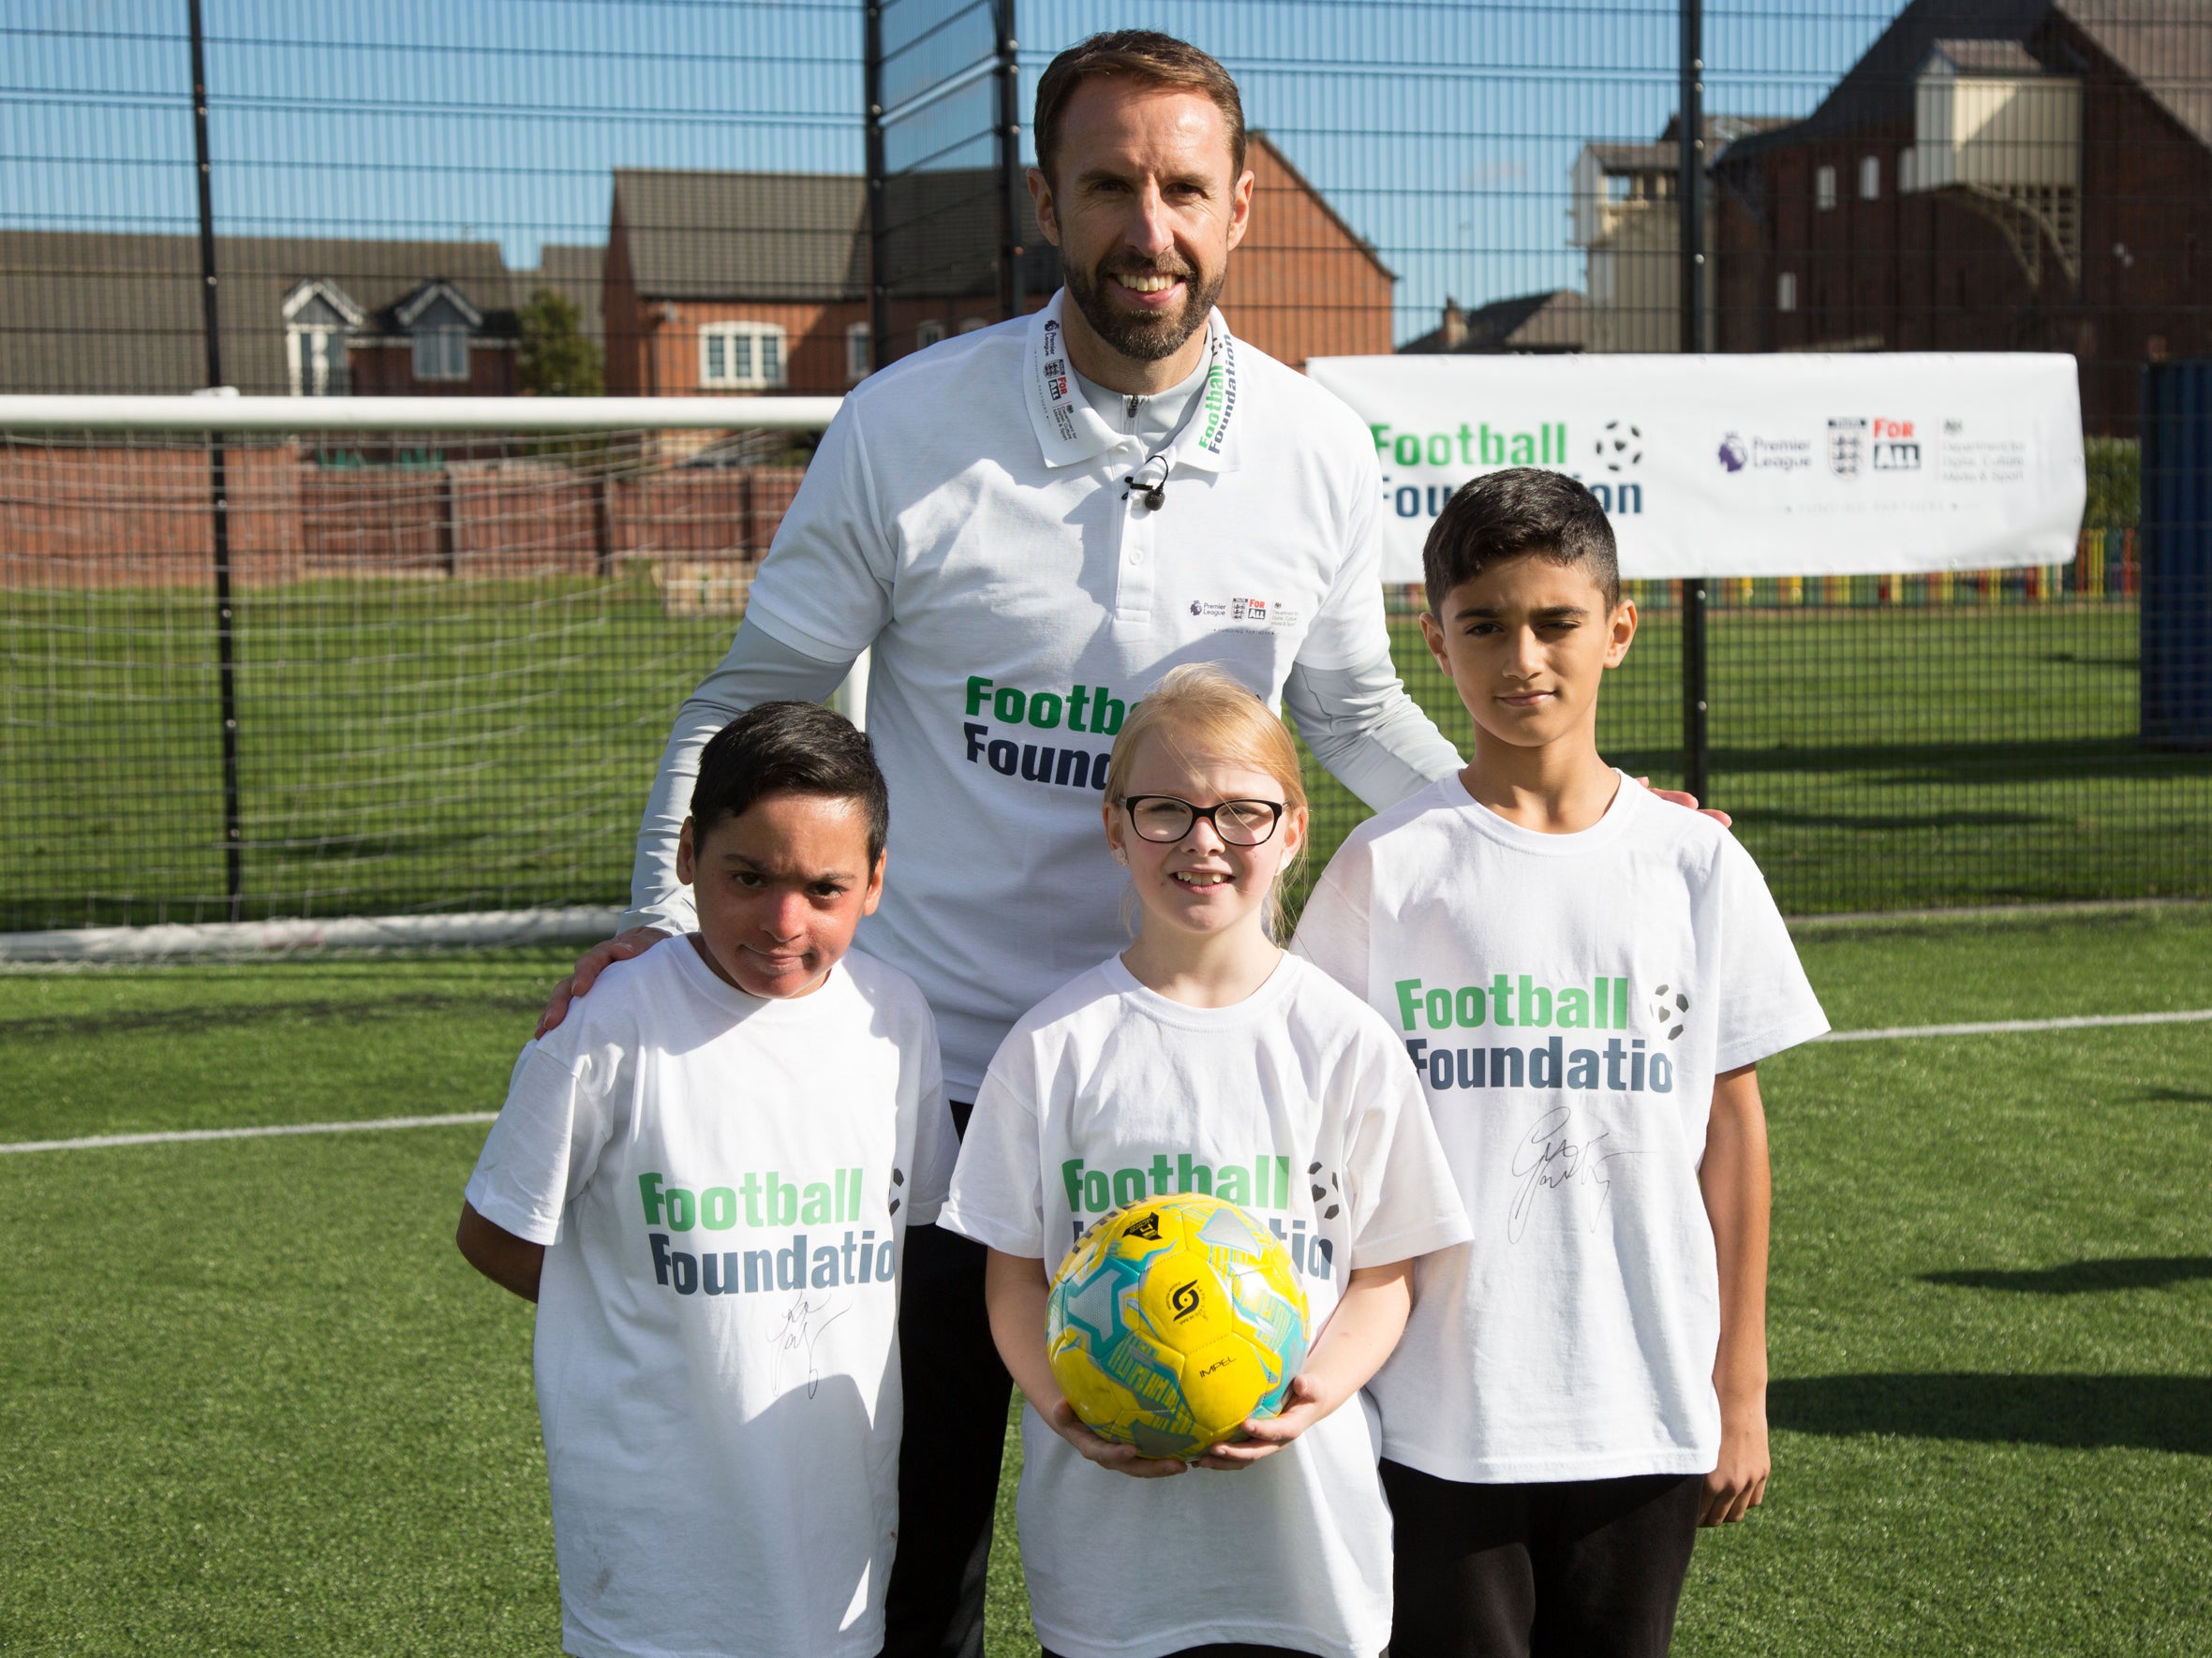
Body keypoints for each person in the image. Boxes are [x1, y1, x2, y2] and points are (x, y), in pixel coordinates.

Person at [537, 33, 1711, 1658]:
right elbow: (754, 699)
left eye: (1180, 189)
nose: (1143, 228)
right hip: (938, 1081)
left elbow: (1359, 712)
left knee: (1211, 1575)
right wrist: (666, 939)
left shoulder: (1312, 447)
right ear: (1048, 200)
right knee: (911, 1534)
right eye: (1108, 185)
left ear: (1236, 210)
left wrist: (1562, 820)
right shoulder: (903, 428)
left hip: (1202, 1096)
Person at [1291, 469, 1829, 1658]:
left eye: (1556, 622)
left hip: (1642, 1403)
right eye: (1484, 624)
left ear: (1619, 630)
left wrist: (1740, 1385)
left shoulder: (1695, 865)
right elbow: (1319, 1145)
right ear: (1436, 642)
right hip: (1436, 1411)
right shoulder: (1385, 870)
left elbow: (1731, 1132)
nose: (1521, 655)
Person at [940, 664, 1473, 1658]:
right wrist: (1060, 1404)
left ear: (1294, 828)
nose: (1202, 841)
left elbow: (1386, 1271)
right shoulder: (1055, 1048)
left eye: (1240, 812)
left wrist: (1315, 1392)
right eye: (1165, 811)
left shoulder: (1343, 1043)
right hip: (1112, 1567)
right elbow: (1012, 1273)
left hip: (1309, 1551)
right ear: (1113, 827)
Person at [457, 702, 958, 1658]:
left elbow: (908, 1232)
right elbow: (495, 1232)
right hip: (656, 1542)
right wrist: (652, 1311)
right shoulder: (613, 1021)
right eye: (748, 877)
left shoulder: (895, 1019)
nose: (782, 919)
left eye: (824, 888)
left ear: (876, 883)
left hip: (835, 1525)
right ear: (688, 854)